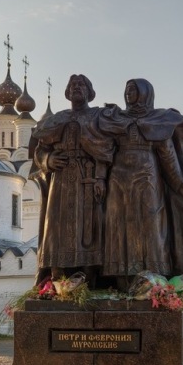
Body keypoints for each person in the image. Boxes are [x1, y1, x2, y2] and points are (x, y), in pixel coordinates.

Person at [99, 78, 183, 288]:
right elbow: (102, 151)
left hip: (147, 178)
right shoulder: (115, 119)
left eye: (133, 90)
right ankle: (122, 280)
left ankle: (151, 280)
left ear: (145, 93)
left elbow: (168, 158)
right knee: (117, 225)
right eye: (127, 90)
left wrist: (181, 184)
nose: (128, 94)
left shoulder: (159, 120)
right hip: (118, 180)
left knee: (150, 224)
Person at [30, 75, 114, 285]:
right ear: (67, 92)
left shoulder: (96, 117)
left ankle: (90, 283)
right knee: (58, 229)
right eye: (72, 85)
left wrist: (101, 178)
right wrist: (48, 159)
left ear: (89, 91)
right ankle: (58, 282)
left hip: (88, 179)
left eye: (81, 85)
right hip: (61, 182)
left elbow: (104, 149)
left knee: (90, 228)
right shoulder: (57, 119)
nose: (76, 88)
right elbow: (40, 151)